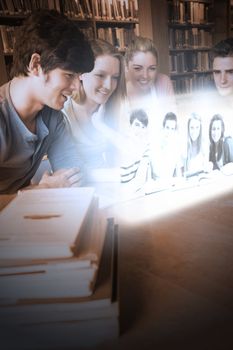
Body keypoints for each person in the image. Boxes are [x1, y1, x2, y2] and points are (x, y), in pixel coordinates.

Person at [0, 9, 94, 194]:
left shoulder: (53, 118)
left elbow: (73, 174)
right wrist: (39, 191)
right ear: (36, 65)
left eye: (79, 77)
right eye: (69, 75)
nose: (77, 87)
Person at [63, 39, 126, 183]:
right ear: (81, 74)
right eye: (100, 75)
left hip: (113, 187)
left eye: (115, 77)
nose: (109, 85)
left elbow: (131, 154)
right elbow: (70, 172)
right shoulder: (64, 114)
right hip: (80, 193)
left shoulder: (116, 108)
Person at [124, 35, 176, 129]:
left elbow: (173, 124)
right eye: (138, 68)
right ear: (126, 67)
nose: (145, 76)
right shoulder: (117, 93)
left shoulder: (163, 83)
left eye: (151, 69)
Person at [151, 112, 183, 181]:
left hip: (170, 187)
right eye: (167, 128)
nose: (169, 132)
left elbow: (179, 175)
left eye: (172, 129)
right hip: (155, 187)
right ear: (163, 127)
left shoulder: (176, 149)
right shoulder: (154, 148)